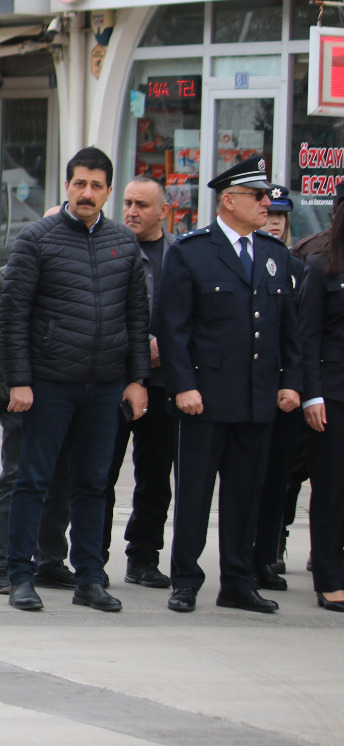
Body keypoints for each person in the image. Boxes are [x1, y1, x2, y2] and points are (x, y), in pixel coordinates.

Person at [0, 148, 150, 614]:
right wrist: (19, 381)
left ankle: (90, 578)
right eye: (79, 183)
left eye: (97, 186)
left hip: (105, 386)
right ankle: (21, 575)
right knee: (33, 481)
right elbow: (13, 315)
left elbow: (137, 317)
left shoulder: (124, 244)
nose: (87, 193)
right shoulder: (36, 239)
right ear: (67, 185)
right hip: (48, 384)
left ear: (108, 190)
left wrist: (137, 379)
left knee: (94, 483)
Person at [155, 154, 302, 614]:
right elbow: (173, 327)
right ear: (230, 200)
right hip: (206, 397)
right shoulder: (192, 251)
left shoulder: (275, 256)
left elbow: (289, 331)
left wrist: (291, 382)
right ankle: (186, 579)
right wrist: (183, 385)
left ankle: (238, 580)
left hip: (257, 398)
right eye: (258, 196)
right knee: (196, 493)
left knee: (246, 494)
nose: (267, 203)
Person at [101, 175, 179, 589]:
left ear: (163, 211)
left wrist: (165, 345)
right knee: (101, 472)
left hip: (164, 384)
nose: (132, 211)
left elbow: (194, 314)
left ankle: (144, 556)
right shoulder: (109, 248)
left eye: (142, 205)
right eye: (128, 202)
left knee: (154, 475)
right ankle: (92, 556)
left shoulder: (180, 254)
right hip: (113, 380)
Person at [0, 259, 74, 595]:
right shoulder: (2, 282)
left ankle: (50, 560)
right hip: (17, 395)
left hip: (63, 390)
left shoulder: (72, 275)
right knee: (18, 474)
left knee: (60, 477)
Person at [253, 183, 309, 589]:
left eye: (280, 217)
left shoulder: (301, 266)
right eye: (268, 213)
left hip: (292, 387)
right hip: (253, 386)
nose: (273, 222)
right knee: (263, 476)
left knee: (292, 473)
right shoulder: (246, 261)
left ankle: (277, 542)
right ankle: (264, 547)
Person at [298, 213, 344, 612]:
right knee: (330, 489)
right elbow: (307, 337)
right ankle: (329, 578)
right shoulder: (323, 266)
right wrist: (312, 396)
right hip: (333, 396)